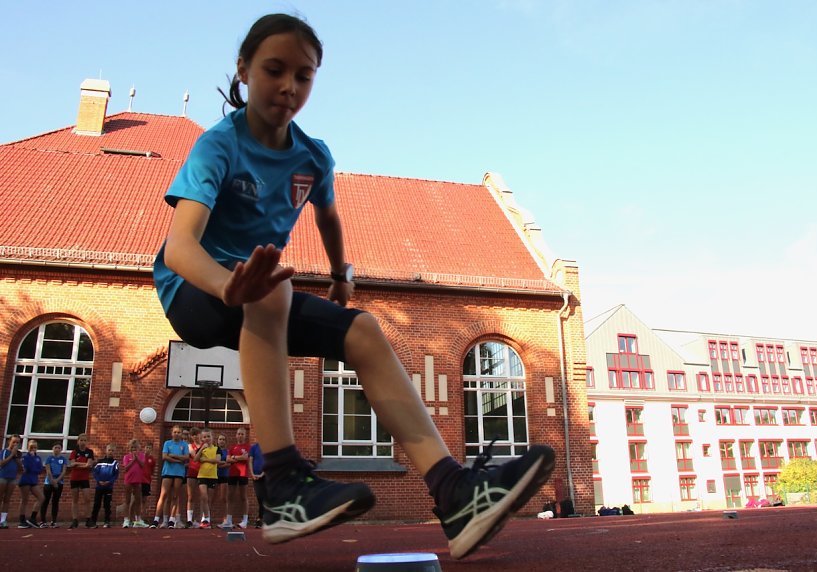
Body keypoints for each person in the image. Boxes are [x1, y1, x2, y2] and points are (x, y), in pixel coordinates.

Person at [152, 12, 554, 559]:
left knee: (362, 330)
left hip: (260, 296)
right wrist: (229, 287)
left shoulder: (312, 156)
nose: (289, 87)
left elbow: (329, 218)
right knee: (272, 287)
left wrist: (342, 273)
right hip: (195, 289)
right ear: (244, 70)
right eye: (274, 70)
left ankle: (454, 493)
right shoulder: (218, 147)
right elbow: (179, 247)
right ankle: (284, 485)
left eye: (304, 75)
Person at [151, 426, 189, 529]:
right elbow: (164, 457)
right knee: (163, 496)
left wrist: (172, 456)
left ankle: (172, 520)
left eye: (179, 432)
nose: (177, 434)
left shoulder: (184, 445)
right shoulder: (167, 443)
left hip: (179, 473)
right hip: (168, 471)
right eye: (175, 432)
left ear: (181, 434)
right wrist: (177, 460)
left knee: (175, 496)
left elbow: (186, 457)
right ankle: (157, 519)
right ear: (172, 433)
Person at [194, 428, 221, 529]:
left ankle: (206, 519)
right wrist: (201, 449)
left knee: (208, 499)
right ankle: (206, 519)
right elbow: (196, 459)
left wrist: (205, 459)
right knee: (204, 497)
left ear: (212, 437)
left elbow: (217, 460)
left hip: (212, 476)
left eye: (208, 436)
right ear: (202, 438)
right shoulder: (201, 449)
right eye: (204, 437)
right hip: (202, 475)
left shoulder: (216, 449)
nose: (207, 438)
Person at [88, 443, 119, 528]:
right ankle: (93, 521)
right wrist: (99, 481)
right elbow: (95, 473)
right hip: (99, 486)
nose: (110, 452)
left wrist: (109, 481)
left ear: (114, 452)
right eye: (109, 450)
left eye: (112, 451)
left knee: (107, 504)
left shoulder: (115, 463)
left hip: (108, 487)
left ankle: (107, 521)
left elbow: (116, 475)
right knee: (97, 503)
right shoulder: (99, 462)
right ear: (106, 451)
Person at [67, 433, 95, 529]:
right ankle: (75, 520)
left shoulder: (90, 452)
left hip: (84, 478)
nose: (83, 442)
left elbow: (89, 464)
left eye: (84, 440)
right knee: (75, 499)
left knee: (87, 498)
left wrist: (78, 464)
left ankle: (88, 519)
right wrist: (83, 464)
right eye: (81, 440)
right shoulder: (74, 452)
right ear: (78, 441)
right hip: (75, 478)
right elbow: (72, 464)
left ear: (87, 442)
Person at [17, 439, 44, 528]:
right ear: (28, 447)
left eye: (35, 447)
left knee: (41, 497)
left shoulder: (38, 458)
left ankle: (32, 518)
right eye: (31, 447)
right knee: (25, 499)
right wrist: (32, 463)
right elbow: (27, 468)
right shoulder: (25, 457)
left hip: (33, 480)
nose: (33, 449)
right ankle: (22, 520)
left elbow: (40, 469)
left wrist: (34, 468)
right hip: (25, 480)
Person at [40, 442, 67, 528]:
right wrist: (52, 480)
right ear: (53, 448)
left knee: (55, 502)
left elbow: (63, 471)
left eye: (59, 448)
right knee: (45, 501)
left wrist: (57, 481)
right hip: (49, 482)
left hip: (59, 482)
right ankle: (43, 521)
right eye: (56, 447)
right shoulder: (49, 458)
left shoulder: (63, 459)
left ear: (61, 449)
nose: (57, 449)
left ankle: (53, 521)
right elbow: (48, 470)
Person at [121, 439, 147, 528]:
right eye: (132, 447)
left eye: (135, 447)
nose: (134, 449)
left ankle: (138, 519)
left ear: (139, 448)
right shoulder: (126, 457)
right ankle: (126, 520)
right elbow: (126, 468)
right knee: (127, 500)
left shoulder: (142, 456)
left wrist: (137, 458)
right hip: (128, 480)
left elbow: (143, 465)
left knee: (138, 500)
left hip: (138, 480)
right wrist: (133, 460)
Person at [0, 434, 23, 529]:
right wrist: (12, 455)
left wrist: (16, 456)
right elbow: (1, 463)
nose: (15, 444)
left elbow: (20, 468)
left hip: (12, 477)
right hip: (3, 476)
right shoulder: (4, 451)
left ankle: (3, 520)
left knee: (7, 498)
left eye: (17, 442)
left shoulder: (19, 454)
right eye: (14, 442)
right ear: (9, 441)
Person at [184, 427, 202, 528]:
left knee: (202, 497)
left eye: (197, 434)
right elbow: (195, 456)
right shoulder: (190, 445)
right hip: (192, 472)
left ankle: (200, 519)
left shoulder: (205, 445)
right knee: (191, 496)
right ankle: (189, 520)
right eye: (193, 434)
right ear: (191, 436)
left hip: (203, 472)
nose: (195, 436)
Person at [248, 438, 265, 528]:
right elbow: (250, 461)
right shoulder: (254, 447)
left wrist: (263, 474)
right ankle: (262, 518)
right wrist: (252, 474)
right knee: (259, 496)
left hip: (266, 476)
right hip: (255, 476)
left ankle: (260, 519)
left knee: (265, 497)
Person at [214, 433, 230, 525]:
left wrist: (220, 464)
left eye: (223, 439)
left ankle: (225, 520)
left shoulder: (228, 452)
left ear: (226, 441)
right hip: (214, 475)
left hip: (224, 475)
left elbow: (229, 463)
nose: (222, 441)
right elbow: (214, 463)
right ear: (217, 440)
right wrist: (221, 463)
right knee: (211, 497)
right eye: (220, 439)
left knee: (223, 498)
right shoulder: (214, 450)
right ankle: (206, 519)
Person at [140, 442, 157, 521]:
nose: (147, 449)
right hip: (139, 480)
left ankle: (142, 517)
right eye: (146, 447)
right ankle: (133, 517)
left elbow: (152, 471)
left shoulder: (152, 459)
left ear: (151, 449)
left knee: (144, 499)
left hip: (147, 481)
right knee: (136, 499)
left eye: (149, 448)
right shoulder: (140, 457)